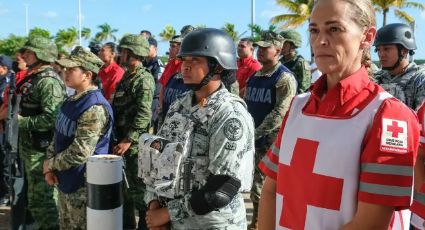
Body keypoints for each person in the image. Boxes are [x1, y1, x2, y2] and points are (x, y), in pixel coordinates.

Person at [258, 0, 419, 229]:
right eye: (314, 30)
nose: (320, 41)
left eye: (334, 29)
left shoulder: (388, 116)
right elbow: (271, 191)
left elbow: (370, 224)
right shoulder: (297, 106)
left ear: (367, 36)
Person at [141, 28, 255, 229]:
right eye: (184, 60)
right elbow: (158, 158)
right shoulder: (179, 105)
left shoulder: (230, 114)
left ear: (218, 67)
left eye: (195, 60)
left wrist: (167, 213)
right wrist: (154, 205)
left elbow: (221, 189)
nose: (185, 66)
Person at [42, 46, 113, 230]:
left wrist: (51, 164)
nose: (65, 73)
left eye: (71, 69)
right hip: (65, 179)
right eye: (65, 69)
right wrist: (49, 164)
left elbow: (80, 152)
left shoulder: (94, 107)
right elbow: (58, 135)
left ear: (87, 75)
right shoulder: (72, 99)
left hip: (83, 186)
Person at [245, 31, 297, 230]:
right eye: (259, 47)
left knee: (263, 187)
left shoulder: (284, 77)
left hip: (270, 142)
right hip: (253, 139)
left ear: (278, 50)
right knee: (253, 185)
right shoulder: (256, 75)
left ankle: (260, 224)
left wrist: (255, 133)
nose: (260, 51)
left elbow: (280, 113)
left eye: (266, 48)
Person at [18, 35, 66, 229]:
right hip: (31, 149)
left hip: (41, 151)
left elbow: (52, 118)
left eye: (29, 52)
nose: (25, 55)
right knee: (36, 201)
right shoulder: (35, 78)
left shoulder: (48, 82)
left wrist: (22, 122)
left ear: (40, 55)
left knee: (43, 203)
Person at [112, 34, 154, 230]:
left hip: (134, 146)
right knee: (125, 193)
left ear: (132, 53)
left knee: (138, 193)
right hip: (122, 142)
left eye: (124, 51)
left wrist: (129, 140)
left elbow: (144, 114)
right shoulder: (128, 76)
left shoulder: (143, 79)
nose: (120, 54)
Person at [374, 23, 425, 110]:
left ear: (404, 51)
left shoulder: (420, 80)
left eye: (387, 49)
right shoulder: (376, 78)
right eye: (378, 49)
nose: (381, 54)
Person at [280, 30, 312, 94]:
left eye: (284, 43)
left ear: (293, 46)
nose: (280, 46)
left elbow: (304, 89)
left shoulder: (300, 63)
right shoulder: (279, 62)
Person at [143, 37, 164, 133]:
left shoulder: (158, 65)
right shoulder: (143, 63)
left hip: (152, 100)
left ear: (155, 49)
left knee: (147, 128)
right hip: (142, 99)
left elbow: (158, 87)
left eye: (148, 47)